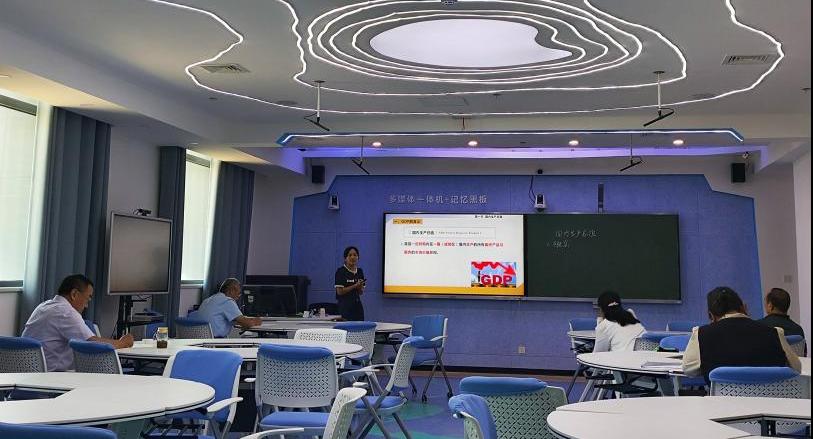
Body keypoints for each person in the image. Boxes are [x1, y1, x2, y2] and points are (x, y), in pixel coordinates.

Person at [682, 286, 801, 384]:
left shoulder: (702, 334)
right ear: (744, 307)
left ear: (711, 316)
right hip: (769, 403)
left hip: (722, 404)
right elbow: (796, 368)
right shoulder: (775, 333)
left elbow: (688, 370)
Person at [22, 274, 134, 372]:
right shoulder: (66, 312)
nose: (87, 306)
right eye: (87, 299)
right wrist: (123, 343)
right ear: (74, 294)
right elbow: (93, 345)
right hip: (51, 376)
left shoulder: (43, 306)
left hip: (27, 375)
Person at [194, 278, 262, 338]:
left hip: (200, 342)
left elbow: (236, 320)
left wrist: (245, 320)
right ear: (231, 290)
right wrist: (256, 321)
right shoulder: (227, 300)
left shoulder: (207, 300)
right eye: (238, 293)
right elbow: (247, 323)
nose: (238, 297)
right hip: (215, 342)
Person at [334, 246, 365, 321]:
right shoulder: (341, 271)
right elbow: (340, 291)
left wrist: (360, 286)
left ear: (358, 257)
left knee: (360, 326)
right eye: (350, 255)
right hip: (345, 307)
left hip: (357, 307)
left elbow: (360, 292)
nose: (352, 257)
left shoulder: (360, 271)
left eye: (355, 255)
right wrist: (355, 285)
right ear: (345, 258)